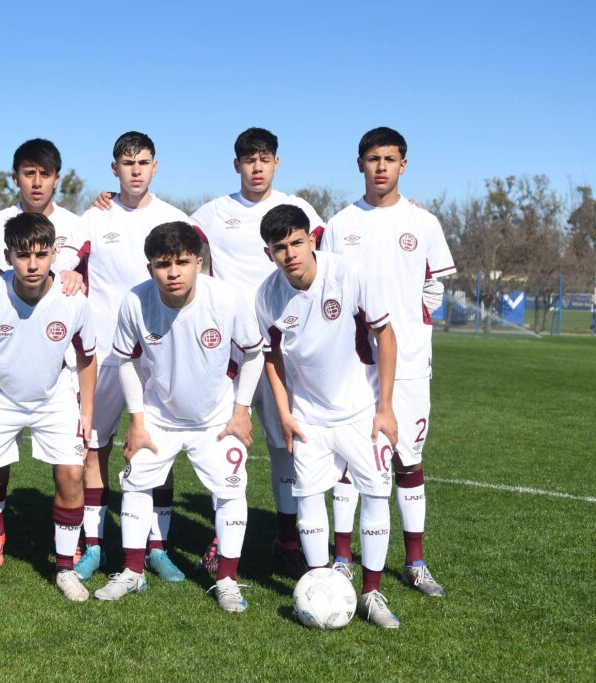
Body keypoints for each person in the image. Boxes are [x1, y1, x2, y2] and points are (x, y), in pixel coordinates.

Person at [93, 222, 262, 612]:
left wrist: (241, 411)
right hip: (158, 415)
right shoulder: (135, 302)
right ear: (150, 267)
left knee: (231, 491)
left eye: (182, 262)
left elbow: (254, 353)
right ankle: (133, 572)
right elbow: (127, 361)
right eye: (163, 264)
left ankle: (227, 580)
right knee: (136, 484)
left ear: (199, 263)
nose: (173, 273)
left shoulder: (227, 299)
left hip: (217, 417)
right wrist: (137, 421)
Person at [321, 127, 456, 597]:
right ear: (360, 163)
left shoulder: (424, 223)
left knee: (407, 459)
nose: (381, 166)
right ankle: (342, 559)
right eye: (373, 158)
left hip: (411, 362)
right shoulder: (340, 225)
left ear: (403, 165)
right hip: (353, 366)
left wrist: (411, 328)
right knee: (348, 460)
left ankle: (415, 561)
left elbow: (433, 291)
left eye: (390, 158)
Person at [188, 127, 326, 579]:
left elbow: (332, 254)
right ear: (237, 165)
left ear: (277, 163)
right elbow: (169, 234)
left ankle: (287, 538)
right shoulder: (213, 212)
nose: (257, 167)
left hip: (284, 349)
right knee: (228, 442)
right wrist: (112, 200)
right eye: (249, 160)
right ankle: (221, 538)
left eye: (265, 159)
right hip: (231, 351)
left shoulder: (299, 208)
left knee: (286, 442)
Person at [53, 132, 191, 583]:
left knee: (158, 449)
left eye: (143, 162)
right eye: (127, 163)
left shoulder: (173, 218)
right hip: (103, 355)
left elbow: (193, 277)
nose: (135, 170)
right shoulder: (94, 217)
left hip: (157, 354)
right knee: (94, 449)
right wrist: (70, 272)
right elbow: (63, 261)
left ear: (155, 166)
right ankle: (94, 546)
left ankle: (156, 548)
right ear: (114, 168)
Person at [256, 204, 401, 628]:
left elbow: (385, 335)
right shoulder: (266, 296)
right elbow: (271, 358)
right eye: (279, 248)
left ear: (312, 239)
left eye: (296, 242)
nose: (290, 254)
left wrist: (386, 407)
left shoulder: (348, 274)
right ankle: (320, 585)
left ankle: (371, 593)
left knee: (375, 494)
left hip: (361, 411)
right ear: (269, 253)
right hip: (308, 417)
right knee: (308, 498)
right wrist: (285, 412)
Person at [0, 213, 97, 601]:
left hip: (54, 398)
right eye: (23, 255)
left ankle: (64, 569)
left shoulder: (74, 301)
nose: (33, 264)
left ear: (54, 255)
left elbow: (87, 356)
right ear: (8, 257)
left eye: (41, 255)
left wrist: (86, 411)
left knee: (72, 474)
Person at [0, 138, 82, 569]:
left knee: (71, 461)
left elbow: (75, 273)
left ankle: (72, 542)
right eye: (28, 173)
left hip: (57, 359)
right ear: (16, 177)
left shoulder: (75, 224)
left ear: (57, 178)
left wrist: (68, 276)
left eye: (44, 174)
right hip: (7, 356)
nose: (36, 182)